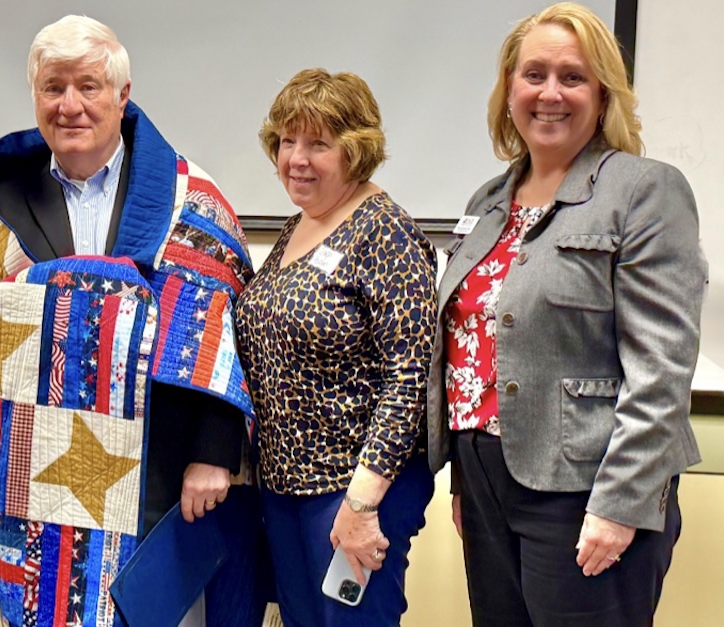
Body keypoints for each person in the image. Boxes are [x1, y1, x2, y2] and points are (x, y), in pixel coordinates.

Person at [0, 15, 264, 627]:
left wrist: (215, 453)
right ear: (35, 97)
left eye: (88, 86)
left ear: (122, 95)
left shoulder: (189, 200)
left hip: (160, 472)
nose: (70, 106)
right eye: (53, 88)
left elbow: (220, 334)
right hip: (38, 475)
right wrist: (98, 299)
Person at [424, 3, 708, 625]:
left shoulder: (643, 190)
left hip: (588, 487)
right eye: (534, 75)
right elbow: (471, 347)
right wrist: (468, 484)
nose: (550, 93)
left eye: (573, 77)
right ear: (509, 90)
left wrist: (621, 503)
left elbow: (661, 370)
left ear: (603, 94)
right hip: (486, 479)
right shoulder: (490, 199)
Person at [234, 68, 437, 626]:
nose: (296, 158)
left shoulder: (385, 232)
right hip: (285, 488)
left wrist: (363, 502)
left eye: (318, 143)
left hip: (352, 489)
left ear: (355, 152)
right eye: (286, 141)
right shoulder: (296, 228)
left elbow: (409, 379)